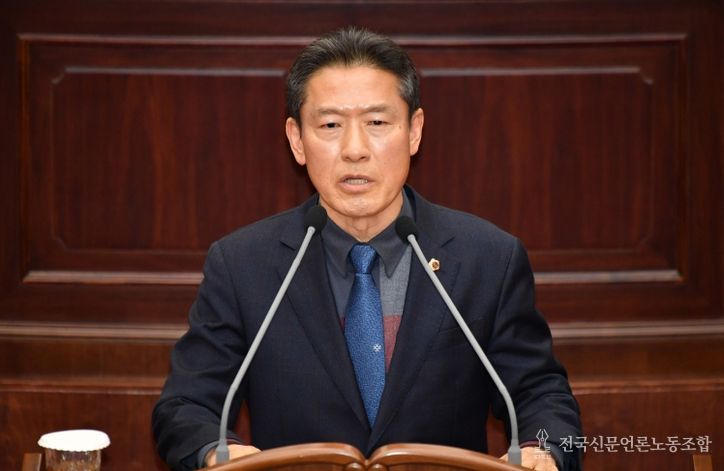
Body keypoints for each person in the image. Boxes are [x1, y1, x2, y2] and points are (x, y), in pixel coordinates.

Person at [152, 26, 582, 471]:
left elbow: (540, 394)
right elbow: (186, 405)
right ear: (297, 140)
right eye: (330, 125)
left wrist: (544, 449)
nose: (354, 150)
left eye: (377, 123)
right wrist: (219, 452)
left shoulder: (487, 258)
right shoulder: (243, 264)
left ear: (414, 131)